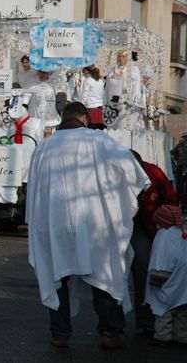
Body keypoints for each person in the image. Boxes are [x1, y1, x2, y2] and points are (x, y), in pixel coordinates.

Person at [26, 101, 149, 349]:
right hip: (96, 222)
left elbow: (34, 187)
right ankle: (110, 331)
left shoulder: (44, 146)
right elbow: (130, 168)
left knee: (57, 276)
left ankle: (60, 333)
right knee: (103, 273)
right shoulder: (99, 140)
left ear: (64, 118)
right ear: (83, 118)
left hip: (54, 223)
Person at [130, 150, 178, 336]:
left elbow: (171, 200)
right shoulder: (112, 174)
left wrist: (171, 229)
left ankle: (150, 317)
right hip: (121, 224)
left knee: (148, 267)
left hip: (152, 226)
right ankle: (114, 324)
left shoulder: (155, 173)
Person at [145, 204, 187, 347]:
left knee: (163, 309)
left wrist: (155, 282)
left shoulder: (164, 237)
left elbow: (161, 261)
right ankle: (181, 336)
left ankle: (163, 336)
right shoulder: (181, 234)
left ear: (162, 222)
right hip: (182, 283)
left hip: (166, 281)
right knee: (182, 311)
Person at [80, 65, 105, 130]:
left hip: (91, 109)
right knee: (99, 133)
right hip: (99, 110)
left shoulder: (88, 80)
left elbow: (84, 96)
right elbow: (102, 94)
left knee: (90, 132)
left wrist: (81, 107)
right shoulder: (101, 81)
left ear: (88, 71)